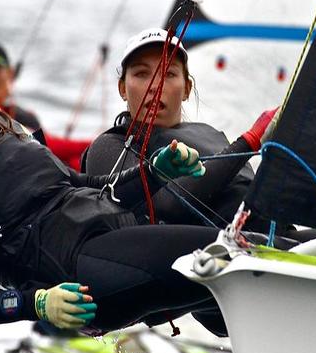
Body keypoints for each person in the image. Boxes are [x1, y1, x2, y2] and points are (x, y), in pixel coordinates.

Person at [0, 24, 227, 334]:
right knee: (235, 254)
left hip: (115, 236)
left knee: (240, 268)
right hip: (83, 276)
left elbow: (79, 184)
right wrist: (35, 304)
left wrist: (154, 172)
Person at [82, 28, 277, 228]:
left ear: (187, 89)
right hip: (217, 252)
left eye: (168, 74)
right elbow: (167, 204)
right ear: (123, 89)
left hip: (271, 235)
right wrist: (250, 141)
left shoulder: (210, 133)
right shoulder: (109, 146)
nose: (156, 85)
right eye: (141, 73)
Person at [0, 40, 92, 170]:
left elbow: (46, 151)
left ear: (10, 72)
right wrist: (94, 145)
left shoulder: (26, 117)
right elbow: (45, 144)